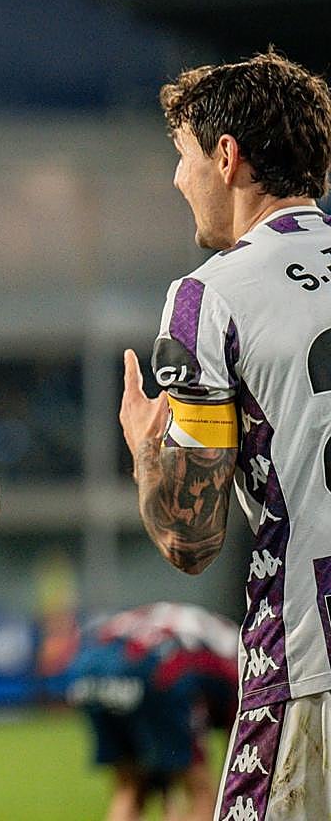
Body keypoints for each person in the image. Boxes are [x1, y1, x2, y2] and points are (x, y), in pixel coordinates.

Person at [119, 51, 331, 821]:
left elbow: (190, 538)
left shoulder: (211, 296)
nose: (180, 181)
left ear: (226, 156)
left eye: (182, 158)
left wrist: (150, 443)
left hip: (311, 658)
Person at [68, 603, 239, 821]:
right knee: (200, 790)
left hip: (90, 666)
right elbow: (238, 758)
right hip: (158, 669)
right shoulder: (246, 660)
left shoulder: (209, 628)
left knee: (129, 787)